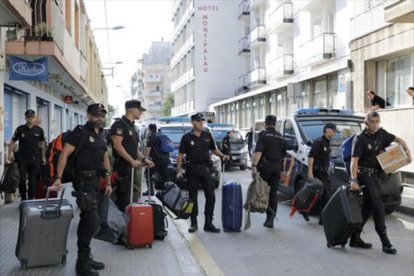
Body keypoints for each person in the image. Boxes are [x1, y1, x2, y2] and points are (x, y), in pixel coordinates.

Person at [52, 103, 113, 276]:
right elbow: (64, 154)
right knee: (91, 219)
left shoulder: (103, 135)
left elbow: (105, 158)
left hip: (96, 181)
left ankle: (86, 257)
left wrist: (108, 182)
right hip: (83, 181)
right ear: (88, 115)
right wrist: (58, 177)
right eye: (96, 115)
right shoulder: (79, 132)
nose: (99, 118)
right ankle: (81, 264)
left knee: (91, 219)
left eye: (101, 115)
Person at [350, 111, 412, 254]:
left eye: (378, 121)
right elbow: (354, 160)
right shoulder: (360, 139)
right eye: (372, 121)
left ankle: (355, 237)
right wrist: (353, 180)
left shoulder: (381, 133)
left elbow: (398, 139)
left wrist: (408, 151)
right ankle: (385, 242)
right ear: (366, 123)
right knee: (378, 205)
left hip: (377, 175)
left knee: (368, 207)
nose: (375, 124)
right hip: (365, 175)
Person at [176, 112, 229, 233]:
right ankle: (193, 223)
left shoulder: (207, 135)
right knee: (192, 197)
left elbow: (213, 149)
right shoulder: (186, 138)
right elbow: (180, 155)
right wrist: (178, 171)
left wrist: (222, 155)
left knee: (211, 196)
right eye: (198, 121)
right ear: (193, 123)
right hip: (192, 171)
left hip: (205, 169)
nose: (201, 123)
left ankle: (208, 223)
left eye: (202, 121)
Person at [110, 100, 155, 212]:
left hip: (131, 168)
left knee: (131, 199)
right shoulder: (119, 125)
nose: (141, 113)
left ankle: (129, 225)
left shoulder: (132, 127)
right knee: (123, 199)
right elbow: (117, 146)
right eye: (139, 110)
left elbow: (134, 150)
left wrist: (144, 159)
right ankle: (121, 226)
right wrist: (131, 161)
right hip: (122, 168)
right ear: (132, 110)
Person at [252, 115, 287, 229]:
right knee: (273, 193)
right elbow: (284, 157)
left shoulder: (263, 135)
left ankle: (260, 208)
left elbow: (259, 152)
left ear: (265, 124)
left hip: (266, 166)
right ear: (275, 124)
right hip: (277, 167)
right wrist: (282, 170)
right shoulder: (281, 137)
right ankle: (271, 218)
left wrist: (254, 166)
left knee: (262, 190)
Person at [8, 110, 46, 201]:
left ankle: (31, 198)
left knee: (33, 181)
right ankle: (24, 199)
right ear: (25, 118)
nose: (30, 119)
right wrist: (9, 153)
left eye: (32, 117)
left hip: (35, 159)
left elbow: (42, 144)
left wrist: (43, 157)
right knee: (21, 180)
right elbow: (13, 141)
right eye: (28, 117)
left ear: (35, 118)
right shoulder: (20, 129)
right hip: (22, 159)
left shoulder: (39, 130)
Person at [306, 123, 337, 223]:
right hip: (317, 172)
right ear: (327, 130)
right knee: (323, 195)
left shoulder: (327, 142)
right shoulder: (318, 142)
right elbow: (311, 157)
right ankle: (320, 218)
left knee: (325, 195)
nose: (335, 132)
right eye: (333, 130)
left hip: (324, 173)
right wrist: (310, 172)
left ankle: (322, 219)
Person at [144, 123, 170, 194]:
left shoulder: (152, 136)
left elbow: (148, 148)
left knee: (147, 173)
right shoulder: (161, 135)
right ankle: (169, 191)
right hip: (165, 159)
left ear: (149, 129)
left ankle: (150, 191)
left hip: (156, 160)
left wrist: (145, 159)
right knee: (165, 176)